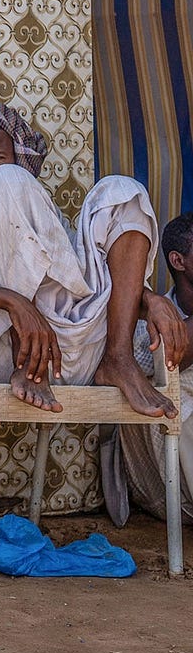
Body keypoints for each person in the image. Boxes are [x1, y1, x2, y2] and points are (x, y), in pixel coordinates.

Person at [0, 101, 187, 417]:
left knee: (123, 190)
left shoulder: (35, 205)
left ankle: (118, 359)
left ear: (19, 161)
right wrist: (14, 303)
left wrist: (151, 299)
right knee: (2, 184)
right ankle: (25, 364)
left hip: (63, 346)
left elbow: (78, 276)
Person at [118, 212, 193, 520]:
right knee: (178, 399)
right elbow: (167, 359)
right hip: (170, 481)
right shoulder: (144, 324)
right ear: (178, 261)